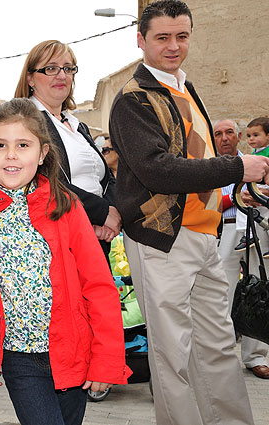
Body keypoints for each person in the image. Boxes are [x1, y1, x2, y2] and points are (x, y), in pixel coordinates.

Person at [108, 1, 269, 423]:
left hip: (205, 238)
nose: (174, 46)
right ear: (141, 40)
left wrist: (233, 193)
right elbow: (156, 170)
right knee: (171, 355)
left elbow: (195, 155)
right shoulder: (132, 98)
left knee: (217, 347)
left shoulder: (185, 86)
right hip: (162, 239)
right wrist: (237, 168)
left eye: (182, 36)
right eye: (162, 37)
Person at [0, 98, 129, 425]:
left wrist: (105, 359)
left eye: (23, 145)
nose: (11, 154)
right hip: (19, 358)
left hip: (73, 351)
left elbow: (98, 286)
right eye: (0, 145)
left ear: (42, 154)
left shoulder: (65, 206)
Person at [15, 40, 120, 255]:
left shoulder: (77, 125)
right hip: (57, 240)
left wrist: (111, 215)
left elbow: (106, 176)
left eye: (68, 68)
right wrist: (100, 213)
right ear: (30, 78)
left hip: (96, 237)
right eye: (51, 68)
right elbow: (42, 181)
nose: (62, 76)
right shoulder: (23, 121)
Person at [214, 119, 269, 379]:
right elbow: (206, 204)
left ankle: (255, 356)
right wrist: (233, 199)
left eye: (228, 133)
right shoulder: (207, 168)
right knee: (220, 292)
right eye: (218, 134)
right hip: (225, 228)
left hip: (255, 228)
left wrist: (257, 195)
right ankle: (221, 355)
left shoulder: (254, 163)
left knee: (258, 290)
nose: (224, 138)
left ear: (238, 137)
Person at [234, 116, 269, 251]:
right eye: (249, 136)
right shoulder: (254, 153)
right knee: (244, 204)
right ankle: (247, 234)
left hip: (265, 185)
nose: (251, 139)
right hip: (257, 186)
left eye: (256, 135)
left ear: (268, 136)